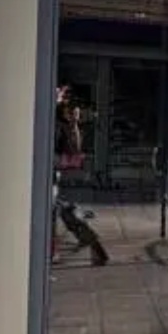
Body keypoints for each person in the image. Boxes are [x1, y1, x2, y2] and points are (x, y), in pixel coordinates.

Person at [53, 84, 109, 266]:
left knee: (55, 210)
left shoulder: (63, 121)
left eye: (60, 94)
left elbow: (70, 147)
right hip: (61, 170)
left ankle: (54, 250)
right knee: (63, 210)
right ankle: (92, 243)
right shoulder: (63, 119)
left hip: (58, 170)